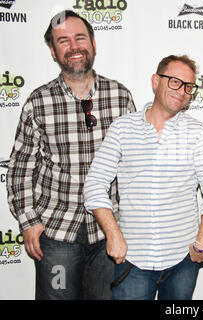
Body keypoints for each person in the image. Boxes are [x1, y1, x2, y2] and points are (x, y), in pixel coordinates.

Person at [6, 10, 136, 300]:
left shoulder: (120, 96)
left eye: (80, 38)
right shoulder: (38, 102)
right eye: (63, 41)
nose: (74, 47)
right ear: (53, 51)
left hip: (107, 232)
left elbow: (133, 165)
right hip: (56, 234)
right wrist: (29, 222)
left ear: (93, 42)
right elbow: (19, 168)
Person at [83, 54, 203, 300]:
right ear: (155, 81)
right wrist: (113, 234)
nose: (182, 90)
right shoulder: (122, 128)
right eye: (174, 81)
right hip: (132, 261)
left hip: (183, 260)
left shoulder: (196, 132)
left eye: (188, 86)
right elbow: (94, 185)